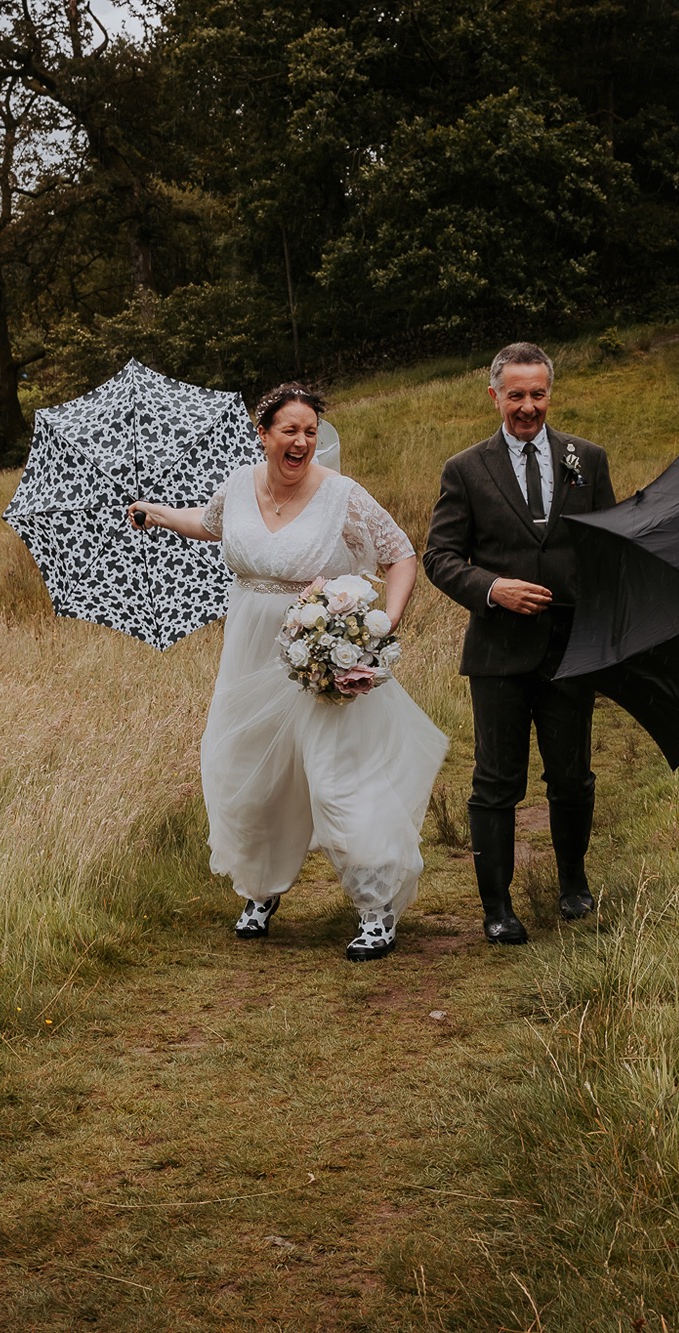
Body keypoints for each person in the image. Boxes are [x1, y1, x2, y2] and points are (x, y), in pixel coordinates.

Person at [128, 384, 448, 961]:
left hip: (323, 654)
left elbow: (400, 553)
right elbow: (211, 523)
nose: (301, 440)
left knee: (337, 778)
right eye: (289, 430)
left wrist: (380, 629)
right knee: (249, 774)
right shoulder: (239, 487)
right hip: (251, 654)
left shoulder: (342, 496)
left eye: (309, 431)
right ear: (265, 435)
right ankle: (260, 891)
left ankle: (377, 910)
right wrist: (156, 513)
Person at [422, 343, 617, 944]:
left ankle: (573, 885)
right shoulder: (466, 469)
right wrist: (492, 588)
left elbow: (608, 546)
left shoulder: (587, 458)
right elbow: (439, 557)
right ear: (494, 396)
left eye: (537, 394)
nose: (527, 406)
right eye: (516, 395)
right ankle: (498, 908)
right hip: (498, 653)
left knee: (573, 776)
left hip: (569, 650)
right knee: (496, 781)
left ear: (549, 394)